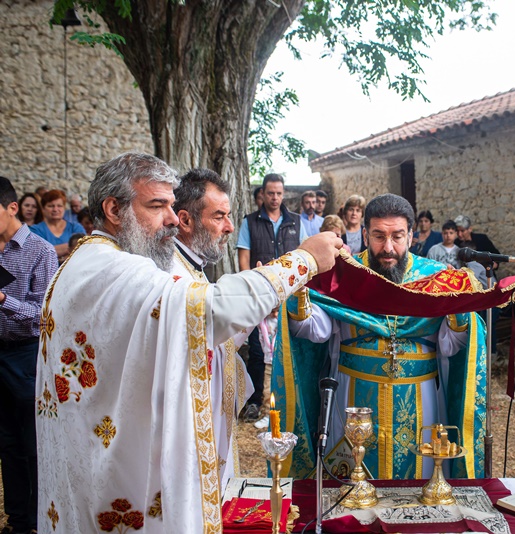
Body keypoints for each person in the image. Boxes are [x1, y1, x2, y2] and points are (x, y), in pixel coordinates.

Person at [36, 152, 341, 532]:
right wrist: (303, 261)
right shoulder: (115, 268)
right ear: (113, 209)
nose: (171, 218)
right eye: (157, 205)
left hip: (103, 452)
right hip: (117, 470)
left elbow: (192, 334)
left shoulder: (90, 260)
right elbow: (209, 311)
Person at [273, 194, 488, 480]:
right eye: (378, 236)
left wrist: (459, 307)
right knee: (349, 488)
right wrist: (300, 295)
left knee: (420, 484)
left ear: (411, 236)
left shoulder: (437, 278)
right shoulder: (345, 275)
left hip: (421, 397)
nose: (388, 248)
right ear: (364, 234)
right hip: (353, 396)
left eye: (397, 236)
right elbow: (317, 330)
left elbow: (452, 345)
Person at [171, 168, 255, 490]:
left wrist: (255, 311)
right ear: (186, 220)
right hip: (188, 420)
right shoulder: (170, 271)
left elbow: (215, 337)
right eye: (219, 216)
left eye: (229, 216)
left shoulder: (193, 267)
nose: (230, 227)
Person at [0, 177, 58, 534]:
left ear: (11, 208)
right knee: (5, 442)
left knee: (31, 444)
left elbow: (44, 314)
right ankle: (17, 520)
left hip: (25, 355)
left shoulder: (41, 251)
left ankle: (38, 523)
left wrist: (4, 301)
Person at [236, 173, 307, 422]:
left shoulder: (297, 222)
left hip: (289, 296)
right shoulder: (250, 222)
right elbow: (244, 260)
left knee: (290, 348)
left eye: (278, 193)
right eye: (270, 193)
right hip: (260, 297)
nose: (275, 197)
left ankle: (292, 401)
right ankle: (255, 402)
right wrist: (257, 294)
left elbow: (304, 259)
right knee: (256, 351)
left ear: (283, 194)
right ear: (262, 194)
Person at [29, 189, 85, 262]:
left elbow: (84, 250)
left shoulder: (75, 227)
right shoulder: (34, 230)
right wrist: (71, 248)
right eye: (51, 206)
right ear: (43, 209)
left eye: (59, 206)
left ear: (64, 208)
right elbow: (35, 254)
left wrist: (49, 253)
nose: (55, 209)